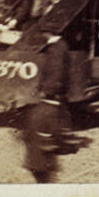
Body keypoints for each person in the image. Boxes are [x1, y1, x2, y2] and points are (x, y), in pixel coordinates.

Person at [22, 26, 73, 183]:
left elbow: (56, 72)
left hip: (51, 97)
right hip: (52, 99)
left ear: (48, 33)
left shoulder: (56, 49)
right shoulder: (59, 46)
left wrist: (46, 89)